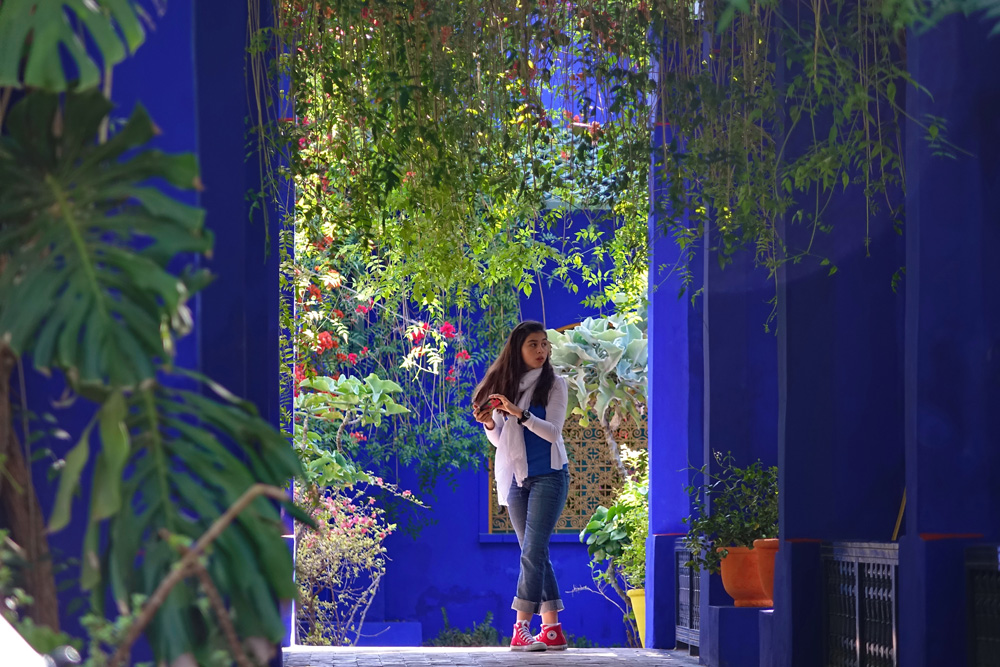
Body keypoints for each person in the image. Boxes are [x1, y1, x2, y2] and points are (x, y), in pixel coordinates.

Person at [472, 320, 570, 652]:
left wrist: (520, 413)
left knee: (531, 552)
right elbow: (501, 439)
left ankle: (520, 628)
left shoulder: (555, 385)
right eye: (533, 344)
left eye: (545, 344)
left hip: (550, 476)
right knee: (534, 552)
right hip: (516, 477)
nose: (542, 350)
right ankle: (552, 629)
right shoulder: (506, 385)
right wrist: (489, 422)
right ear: (518, 349)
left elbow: (553, 432)